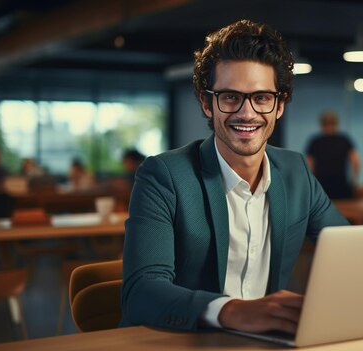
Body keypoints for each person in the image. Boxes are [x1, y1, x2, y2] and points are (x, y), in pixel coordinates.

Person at [120, 20, 349, 334]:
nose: (247, 113)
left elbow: (352, 252)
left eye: (262, 98)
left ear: (279, 104)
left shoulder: (296, 172)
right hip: (185, 341)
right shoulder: (164, 176)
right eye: (230, 97)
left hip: (262, 342)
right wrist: (231, 311)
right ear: (206, 103)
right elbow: (141, 291)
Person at [305, 111, 361, 199]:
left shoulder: (316, 141)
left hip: (325, 184)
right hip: (338, 184)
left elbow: (309, 164)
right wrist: (355, 181)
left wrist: (311, 183)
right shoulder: (344, 140)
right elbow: (356, 161)